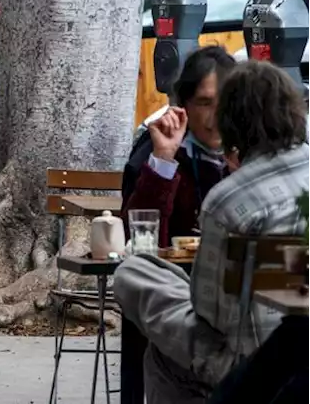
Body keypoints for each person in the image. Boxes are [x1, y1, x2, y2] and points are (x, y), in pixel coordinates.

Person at [113, 61, 310, 402]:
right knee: (140, 271)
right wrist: (163, 158)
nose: (209, 115)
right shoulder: (158, 149)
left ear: (230, 119)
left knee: (155, 334)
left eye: (215, 105)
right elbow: (141, 222)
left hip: (254, 360)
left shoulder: (230, 197)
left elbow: (211, 315)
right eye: (203, 102)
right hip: (294, 339)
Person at [122, 46, 237, 246]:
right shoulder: (153, 152)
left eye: (226, 103)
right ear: (184, 104)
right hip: (173, 275)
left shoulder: (252, 153)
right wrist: (163, 161)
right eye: (205, 103)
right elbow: (136, 239)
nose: (216, 117)